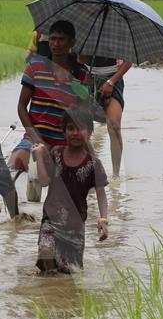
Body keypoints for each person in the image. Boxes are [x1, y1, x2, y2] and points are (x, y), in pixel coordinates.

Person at [6, 20, 89, 217]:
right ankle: (16, 220)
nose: (56, 43)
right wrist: (35, 138)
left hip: (64, 141)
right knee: (12, 168)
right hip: (36, 135)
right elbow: (21, 106)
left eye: (61, 39)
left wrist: (84, 90)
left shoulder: (81, 72)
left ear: (72, 43)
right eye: (52, 39)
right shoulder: (35, 67)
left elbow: (84, 113)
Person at [32, 106, 108, 274]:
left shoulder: (93, 164)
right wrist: (39, 156)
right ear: (64, 131)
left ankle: (57, 297)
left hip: (75, 228)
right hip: (50, 222)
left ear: (88, 132)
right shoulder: (56, 153)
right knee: (46, 255)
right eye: (70, 128)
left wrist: (103, 220)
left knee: (69, 274)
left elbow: (101, 194)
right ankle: (46, 294)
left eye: (80, 128)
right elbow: (44, 182)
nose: (75, 132)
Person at [80, 53, 132, 177]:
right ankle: (92, 168)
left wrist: (111, 81)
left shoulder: (118, 35)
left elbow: (128, 61)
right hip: (89, 79)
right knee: (81, 129)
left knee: (114, 126)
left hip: (113, 78)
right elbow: (78, 58)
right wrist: (82, 74)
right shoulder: (85, 34)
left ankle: (116, 175)